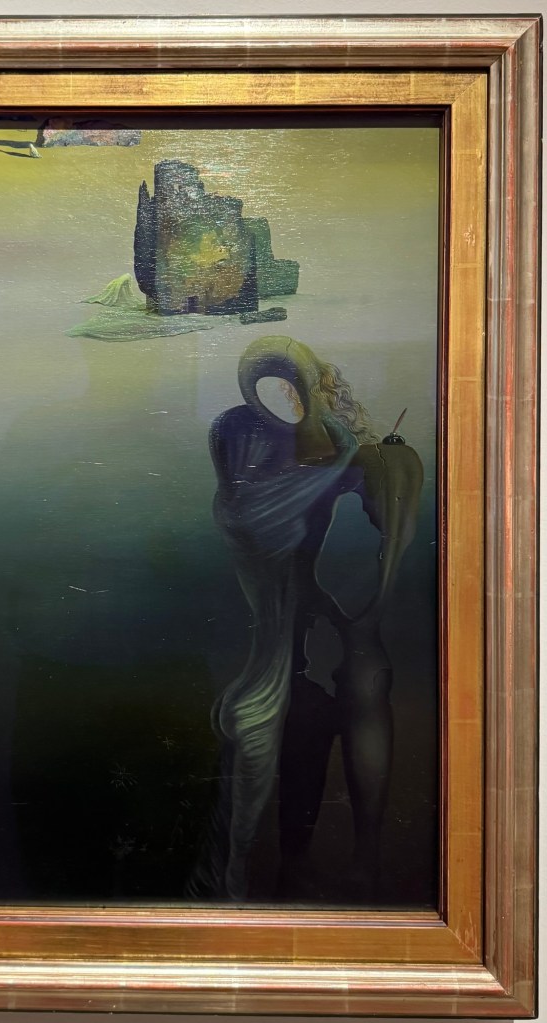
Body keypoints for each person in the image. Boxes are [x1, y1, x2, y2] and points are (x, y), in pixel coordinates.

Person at [189, 336, 423, 902]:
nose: (288, 401)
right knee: (305, 731)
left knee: (359, 698)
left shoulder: (370, 462)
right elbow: (251, 523)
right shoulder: (267, 455)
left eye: (296, 388)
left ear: (318, 389)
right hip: (304, 641)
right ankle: (299, 864)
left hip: (348, 638)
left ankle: (365, 862)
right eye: (277, 390)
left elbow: (372, 561)